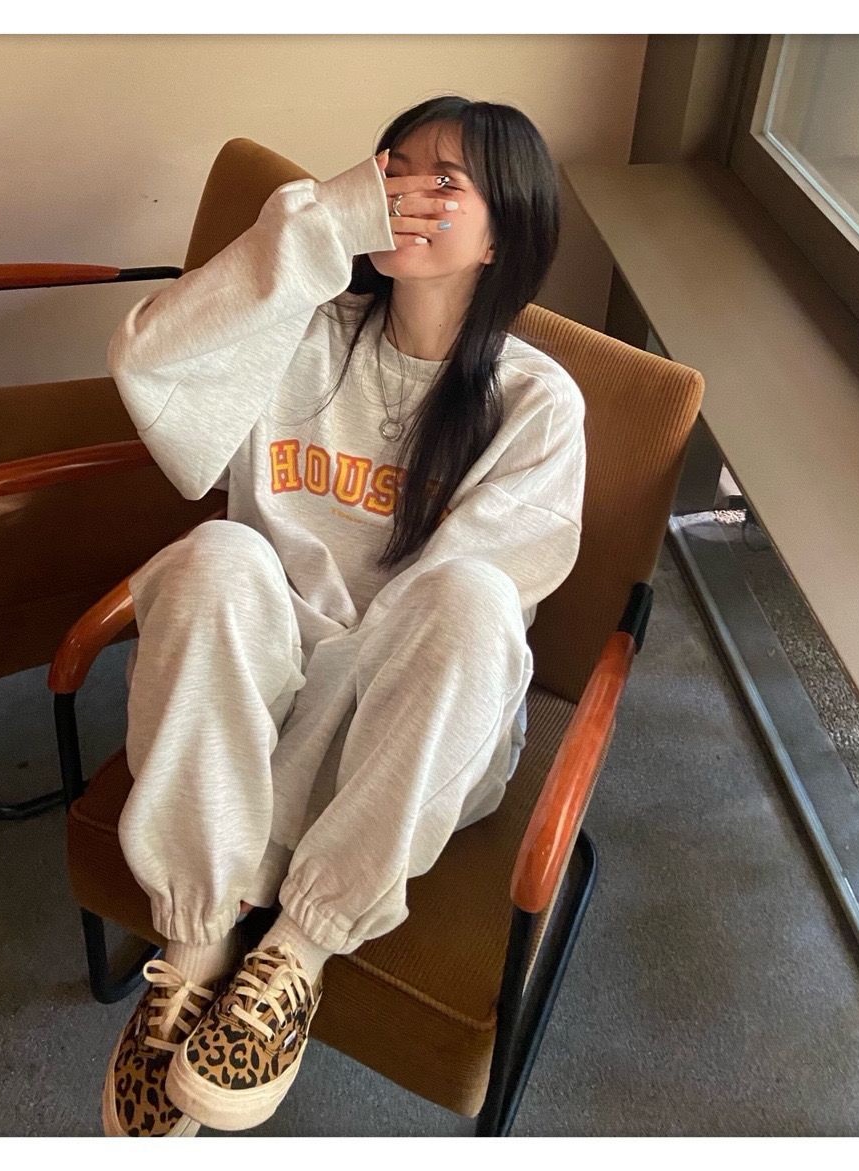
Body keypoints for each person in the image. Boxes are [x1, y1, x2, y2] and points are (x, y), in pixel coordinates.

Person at [100, 94, 586, 1137]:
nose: (407, 193)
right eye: (393, 168)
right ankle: (195, 936)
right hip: (262, 678)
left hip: (415, 736)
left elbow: (448, 645)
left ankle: (295, 947)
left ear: (503, 235)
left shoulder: (537, 404)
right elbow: (150, 367)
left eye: (446, 181)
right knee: (217, 555)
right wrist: (318, 227)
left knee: (469, 596)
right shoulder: (302, 331)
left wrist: (264, 841)